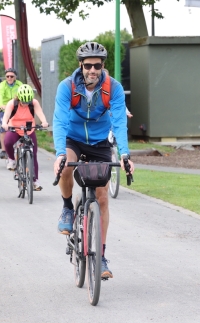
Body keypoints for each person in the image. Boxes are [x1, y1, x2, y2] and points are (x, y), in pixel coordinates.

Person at [53, 41, 134, 279]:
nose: (92, 70)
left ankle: (101, 256)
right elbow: (59, 120)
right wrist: (59, 153)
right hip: (73, 138)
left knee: (102, 198)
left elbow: (119, 121)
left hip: (100, 141)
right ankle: (68, 208)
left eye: (97, 65)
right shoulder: (67, 87)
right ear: (80, 65)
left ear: (102, 65)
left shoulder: (113, 88)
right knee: (66, 165)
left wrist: (125, 153)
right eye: (87, 65)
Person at [1, 84, 49, 190]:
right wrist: (4, 123)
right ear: (19, 98)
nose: (25, 103)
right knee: (8, 142)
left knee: (33, 154)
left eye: (27, 102)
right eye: (23, 101)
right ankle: (12, 159)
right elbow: (6, 116)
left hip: (29, 128)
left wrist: (44, 122)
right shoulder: (12, 104)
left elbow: (40, 114)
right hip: (14, 127)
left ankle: (35, 181)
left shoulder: (34, 103)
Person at [0, 68, 23, 159]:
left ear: (15, 77)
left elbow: (24, 94)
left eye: (11, 76)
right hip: (5, 109)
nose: (9, 78)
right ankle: (4, 150)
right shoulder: (2, 85)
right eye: (7, 76)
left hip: (17, 108)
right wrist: (1, 105)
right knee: (4, 128)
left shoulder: (20, 84)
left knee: (22, 127)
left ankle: (21, 145)